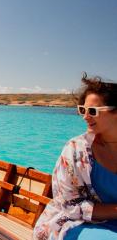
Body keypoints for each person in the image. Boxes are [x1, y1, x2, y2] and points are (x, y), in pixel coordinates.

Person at [33, 73, 117, 240]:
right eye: (82, 110)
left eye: (93, 111)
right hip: (76, 223)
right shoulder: (75, 150)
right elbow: (71, 207)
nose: (85, 116)